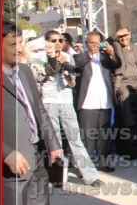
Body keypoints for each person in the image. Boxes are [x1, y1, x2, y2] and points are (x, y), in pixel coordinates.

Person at [2, 20, 64, 205]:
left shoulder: (25, 71)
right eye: (12, 44)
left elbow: (38, 109)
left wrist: (53, 144)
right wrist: (5, 152)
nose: (19, 49)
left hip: (36, 155)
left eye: (20, 43)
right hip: (12, 163)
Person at [27, 30, 103, 188]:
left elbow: (72, 83)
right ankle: (58, 176)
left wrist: (67, 73)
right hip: (49, 102)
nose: (57, 44)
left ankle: (90, 176)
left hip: (66, 102)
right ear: (46, 42)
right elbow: (40, 78)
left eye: (60, 40)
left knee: (76, 140)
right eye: (53, 40)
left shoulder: (67, 57)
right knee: (54, 142)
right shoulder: (39, 57)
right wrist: (53, 62)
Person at [74, 31, 121, 172]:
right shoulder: (79, 57)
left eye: (97, 43)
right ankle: (86, 168)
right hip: (88, 102)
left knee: (103, 135)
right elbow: (78, 66)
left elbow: (117, 63)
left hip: (104, 100)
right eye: (91, 43)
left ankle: (102, 162)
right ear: (86, 43)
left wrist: (112, 53)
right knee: (88, 136)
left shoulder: (105, 57)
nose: (94, 45)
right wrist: (90, 54)